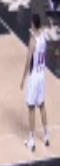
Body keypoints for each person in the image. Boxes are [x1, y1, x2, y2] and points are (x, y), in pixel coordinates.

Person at [21, 14, 49, 152]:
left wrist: (23, 78)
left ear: (33, 24)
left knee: (31, 107)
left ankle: (31, 141)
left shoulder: (32, 41)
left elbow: (28, 61)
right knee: (42, 105)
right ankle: (46, 135)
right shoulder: (43, 37)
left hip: (34, 77)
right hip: (42, 74)